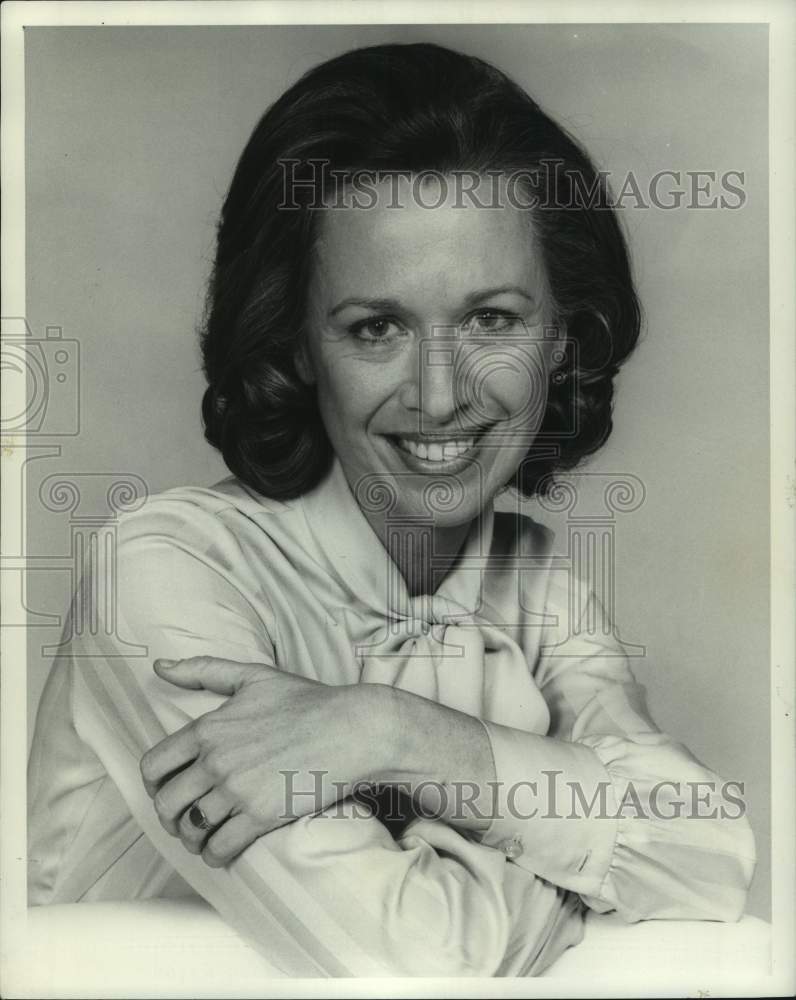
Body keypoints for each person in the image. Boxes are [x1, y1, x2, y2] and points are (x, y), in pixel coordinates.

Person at [28, 42, 756, 977]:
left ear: (562, 337)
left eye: (492, 318)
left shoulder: (531, 581)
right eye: (377, 328)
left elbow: (709, 855)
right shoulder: (164, 573)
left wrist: (393, 733)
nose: (442, 395)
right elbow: (415, 968)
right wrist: (564, 844)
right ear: (294, 344)